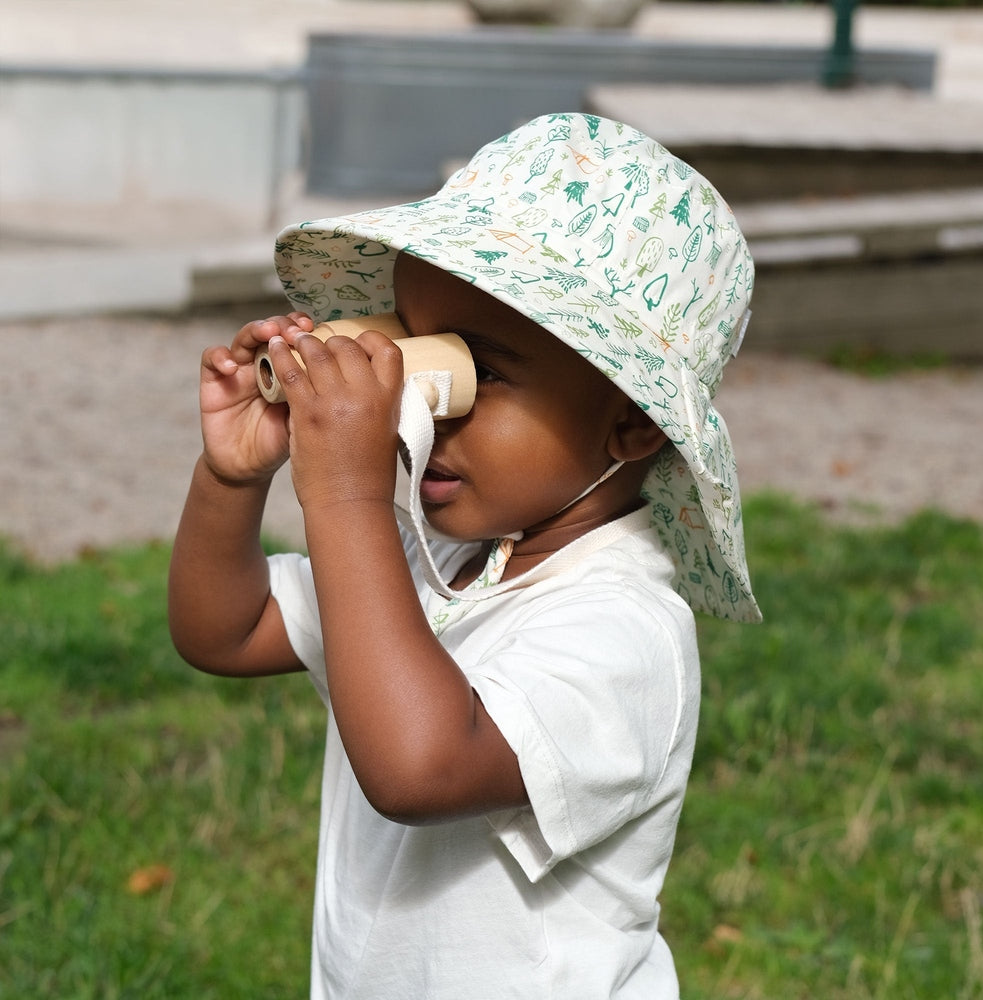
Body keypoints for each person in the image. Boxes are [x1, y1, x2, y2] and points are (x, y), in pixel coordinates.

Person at [169, 112, 760, 999]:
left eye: (476, 371)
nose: (425, 406)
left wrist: (345, 495)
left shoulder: (625, 631)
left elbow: (420, 766)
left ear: (632, 422)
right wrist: (231, 477)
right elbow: (226, 630)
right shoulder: (423, 559)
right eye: (412, 346)